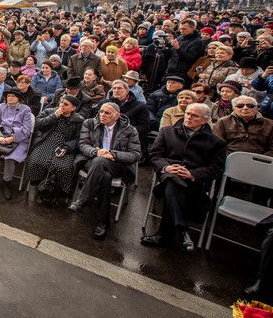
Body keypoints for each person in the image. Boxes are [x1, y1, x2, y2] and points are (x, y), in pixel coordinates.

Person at [142, 103, 226, 251]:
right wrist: (166, 167)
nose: (189, 117)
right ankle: (182, 229)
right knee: (172, 180)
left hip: (193, 182)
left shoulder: (216, 142)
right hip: (168, 172)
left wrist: (193, 174)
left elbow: (216, 168)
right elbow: (155, 155)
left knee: (172, 187)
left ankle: (167, 234)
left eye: (194, 115)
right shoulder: (167, 131)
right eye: (187, 113)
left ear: (205, 120)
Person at [70, 102, 141, 240]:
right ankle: (103, 222)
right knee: (104, 175)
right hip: (92, 160)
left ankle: (82, 200)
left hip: (118, 164)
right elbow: (83, 144)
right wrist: (96, 152)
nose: (102, 115)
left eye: (107, 113)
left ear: (117, 115)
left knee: (101, 164)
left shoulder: (130, 130)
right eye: (101, 111)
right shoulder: (90, 123)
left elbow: (135, 155)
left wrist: (113, 154)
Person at [24, 95, 85, 198]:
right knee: (36, 160)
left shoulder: (78, 120)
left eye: (66, 104)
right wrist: (53, 116)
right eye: (61, 102)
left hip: (65, 144)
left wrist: (66, 147)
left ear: (73, 108)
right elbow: (38, 124)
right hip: (46, 139)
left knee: (64, 167)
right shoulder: (49, 111)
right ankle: (36, 183)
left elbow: (78, 139)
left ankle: (58, 190)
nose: (62, 105)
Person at [0, 86, 33, 198]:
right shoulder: (1, 107)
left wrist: (12, 138)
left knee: (10, 158)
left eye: (13, 96)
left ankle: (7, 183)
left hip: (18, 139)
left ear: (19, 98)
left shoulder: (25, 110)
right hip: (0, 136)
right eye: (8, 96)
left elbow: (27, 130)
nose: (10, 98)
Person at [165, 19, 205, 84]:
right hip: (171, 69)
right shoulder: (179, 38)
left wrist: (178, 48)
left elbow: (190, 58)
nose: (181, 31)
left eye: (184, 29)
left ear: (193, 28)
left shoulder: (198, 42)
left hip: (183, 72)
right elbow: (172, 53)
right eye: (180, 29)